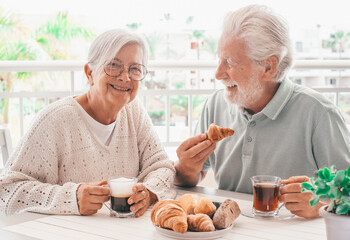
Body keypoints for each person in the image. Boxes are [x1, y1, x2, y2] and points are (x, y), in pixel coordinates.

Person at [175, 4, 350, 219]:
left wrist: (322, 202)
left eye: (229, 62)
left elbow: (346, 192)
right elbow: (193, 177)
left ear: (269, 67)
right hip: (228, 230)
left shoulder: (320, 114)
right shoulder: (215, 104)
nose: (218, 74)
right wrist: (186, 170)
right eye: (220, 59)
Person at [0, 29, 176, 217]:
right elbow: (7, 190)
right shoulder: (55, 120)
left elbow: (162, 166)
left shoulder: (134, 113)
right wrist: (71, 197)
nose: (125, 77)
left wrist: (148, 192)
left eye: (135, 69)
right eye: (113, 65)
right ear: (89, 73)